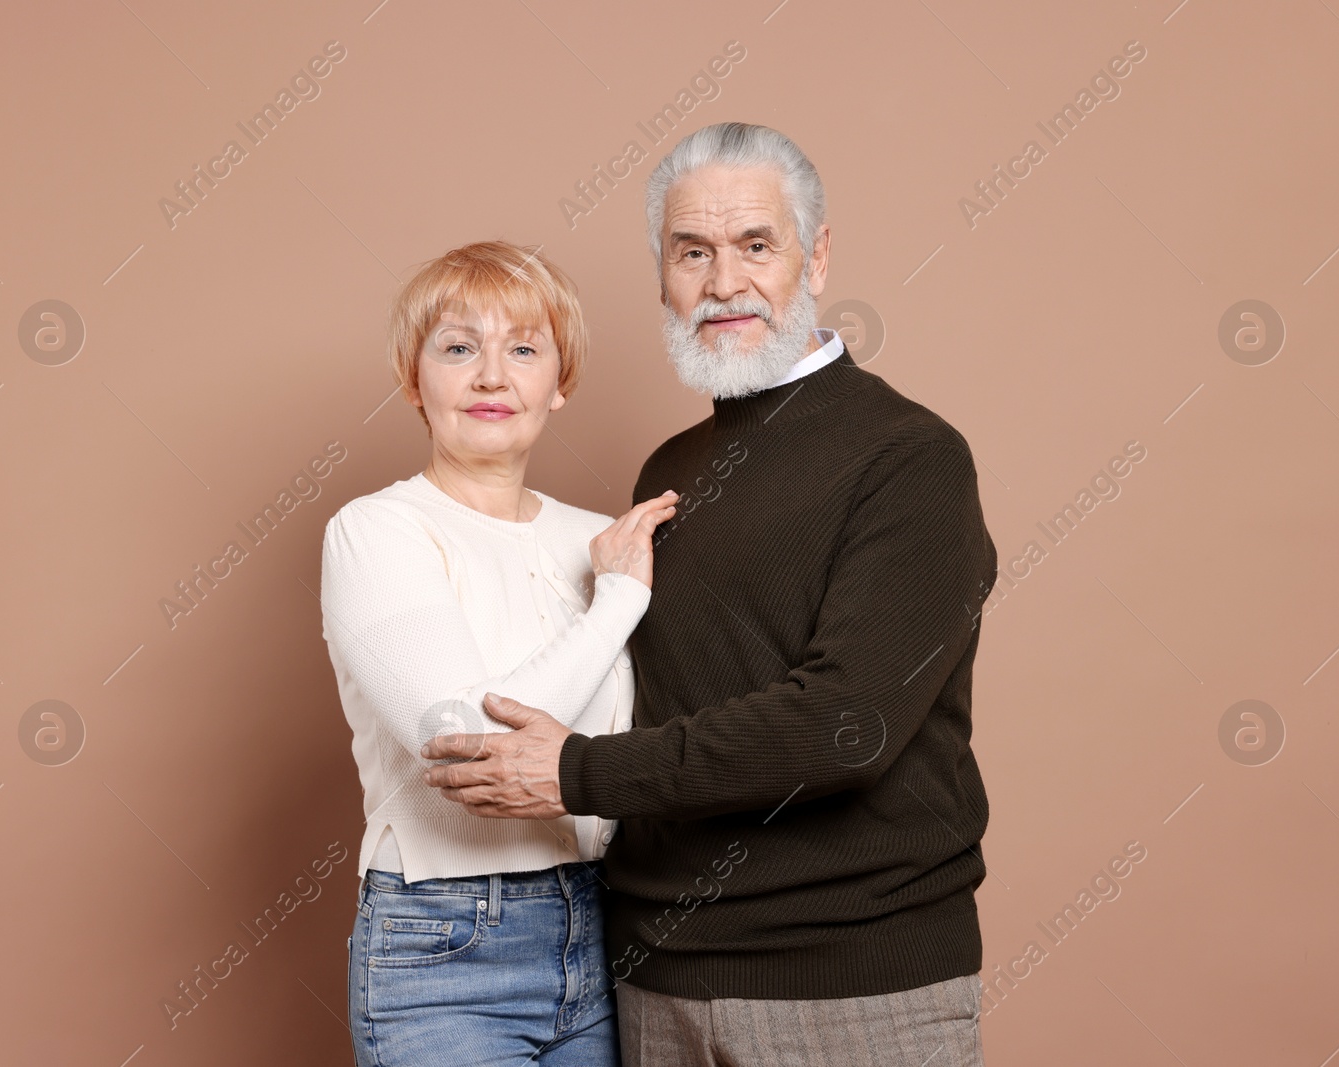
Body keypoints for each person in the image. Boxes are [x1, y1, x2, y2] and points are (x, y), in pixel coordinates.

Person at [424, 123, 999, 1067]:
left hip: (851, 984)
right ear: (662, 275)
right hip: (655, 981)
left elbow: (844, 723)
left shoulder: (911, 458)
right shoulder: (672, 470)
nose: (723, 282)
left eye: (755, 246)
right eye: (692, 252)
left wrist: (574, 771)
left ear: (816, 256)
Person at [319, 240, 677, 1066]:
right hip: (443, 950)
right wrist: (618, 599)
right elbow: (461, 742)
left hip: (601, 931)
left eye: (523, 348)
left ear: (561, 381)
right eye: (457, 347)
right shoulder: (377, 531)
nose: (491, 376)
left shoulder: (600, 537)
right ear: (416, 380)